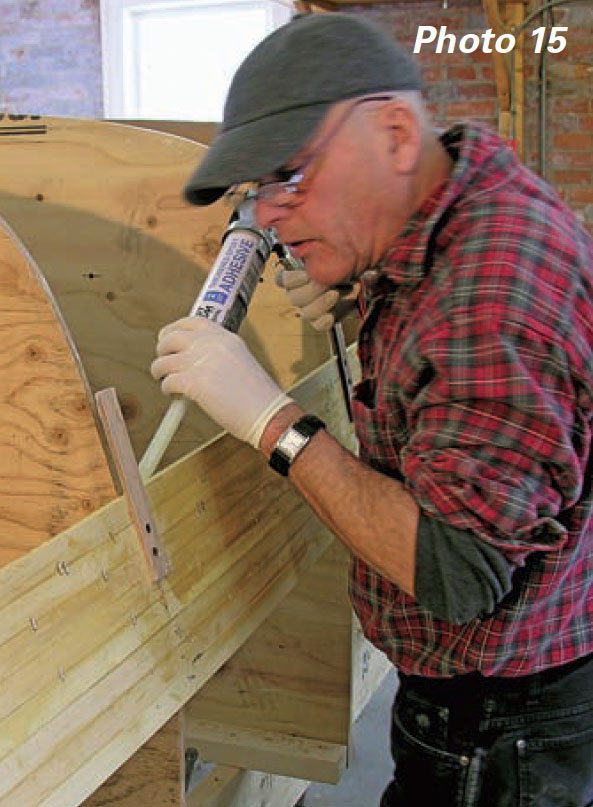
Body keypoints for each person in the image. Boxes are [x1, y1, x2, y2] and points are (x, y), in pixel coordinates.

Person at [150, 13, 593, 807]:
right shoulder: (455, 210)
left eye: (291, 175)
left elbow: (456, 575)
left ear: (392, 133)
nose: (273, 218)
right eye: (259, 192)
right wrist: (362, 301)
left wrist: (270, 422)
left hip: (498, 723)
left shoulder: (488, 299)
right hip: (481, 692)